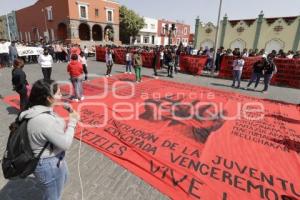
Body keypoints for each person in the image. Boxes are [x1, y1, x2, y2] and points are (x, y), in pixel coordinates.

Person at [19, 79, 79, 200]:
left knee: (63, 179)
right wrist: (73, 121)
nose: (62, 95)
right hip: (48, 164)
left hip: (51, 160)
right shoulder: (45, 121)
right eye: (58, 93)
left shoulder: (33, 109)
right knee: (53, 196)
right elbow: (66, 144)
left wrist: (62, 105)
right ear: (48, 98)